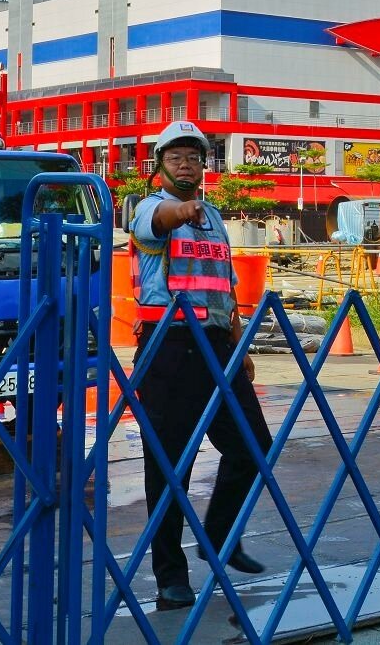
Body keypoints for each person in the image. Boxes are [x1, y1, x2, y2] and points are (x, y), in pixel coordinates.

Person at [130, 120, 273, 611]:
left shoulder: (212, 218)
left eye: (194, 157)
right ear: (159, 166)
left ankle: (219, 537)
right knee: (170, 465)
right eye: (176, 157)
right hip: (168, 347)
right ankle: (171, 576)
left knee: (253, 446)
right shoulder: (149, 208)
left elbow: (224, 288)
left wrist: (240, 345)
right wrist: (180, 209)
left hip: (215, 344)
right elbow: (160, 221)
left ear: (204, 165)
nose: (186, 164)